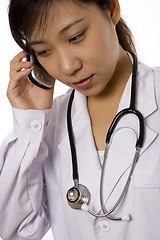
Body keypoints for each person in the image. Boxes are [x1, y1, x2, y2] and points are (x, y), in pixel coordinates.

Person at [0, 0, 160, 239]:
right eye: (44, 51)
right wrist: (29, 123)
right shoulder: (45, 128)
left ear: (112, 10)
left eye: (75, 37)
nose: (67, 66)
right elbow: (15, 229)